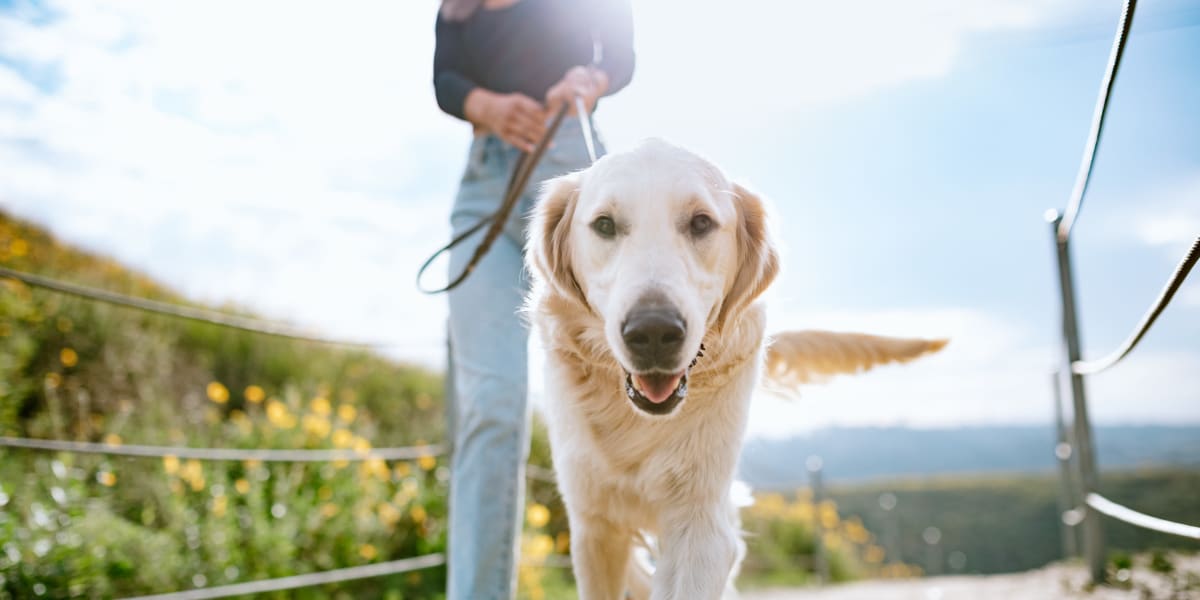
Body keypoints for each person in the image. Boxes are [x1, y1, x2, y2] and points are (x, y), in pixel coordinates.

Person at [432, 0, 634, 598]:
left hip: (573, 167)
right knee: (490, 401)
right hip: (487, 181)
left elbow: (620, 54)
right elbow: (445, 79)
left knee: (617, 394)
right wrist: (485, 106)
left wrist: (590, 82)